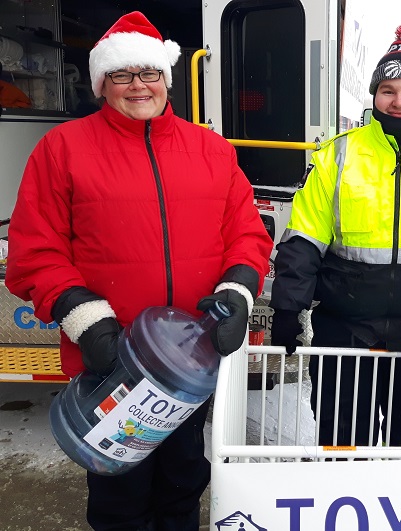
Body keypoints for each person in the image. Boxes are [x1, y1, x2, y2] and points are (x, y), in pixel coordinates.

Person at [5, 11, 272, 530]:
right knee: (118, 494)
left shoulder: (211, 150)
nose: (138, 85)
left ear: (167, 80)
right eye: (122, 75)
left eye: (149, 72)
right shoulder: (63, 149)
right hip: (112, 363)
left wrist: (238, 291)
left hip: (191, 363)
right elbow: (34, 249)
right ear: (102, 83)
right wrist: (84, 318)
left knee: (183, 479)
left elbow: (247, 233)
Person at [270, 21, 401, 447]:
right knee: (342, 439)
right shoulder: (338, 154)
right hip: (345, 329)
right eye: (389, 90)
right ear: (374, 94)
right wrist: (287, 308)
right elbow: (304, 238)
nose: (399, 101)